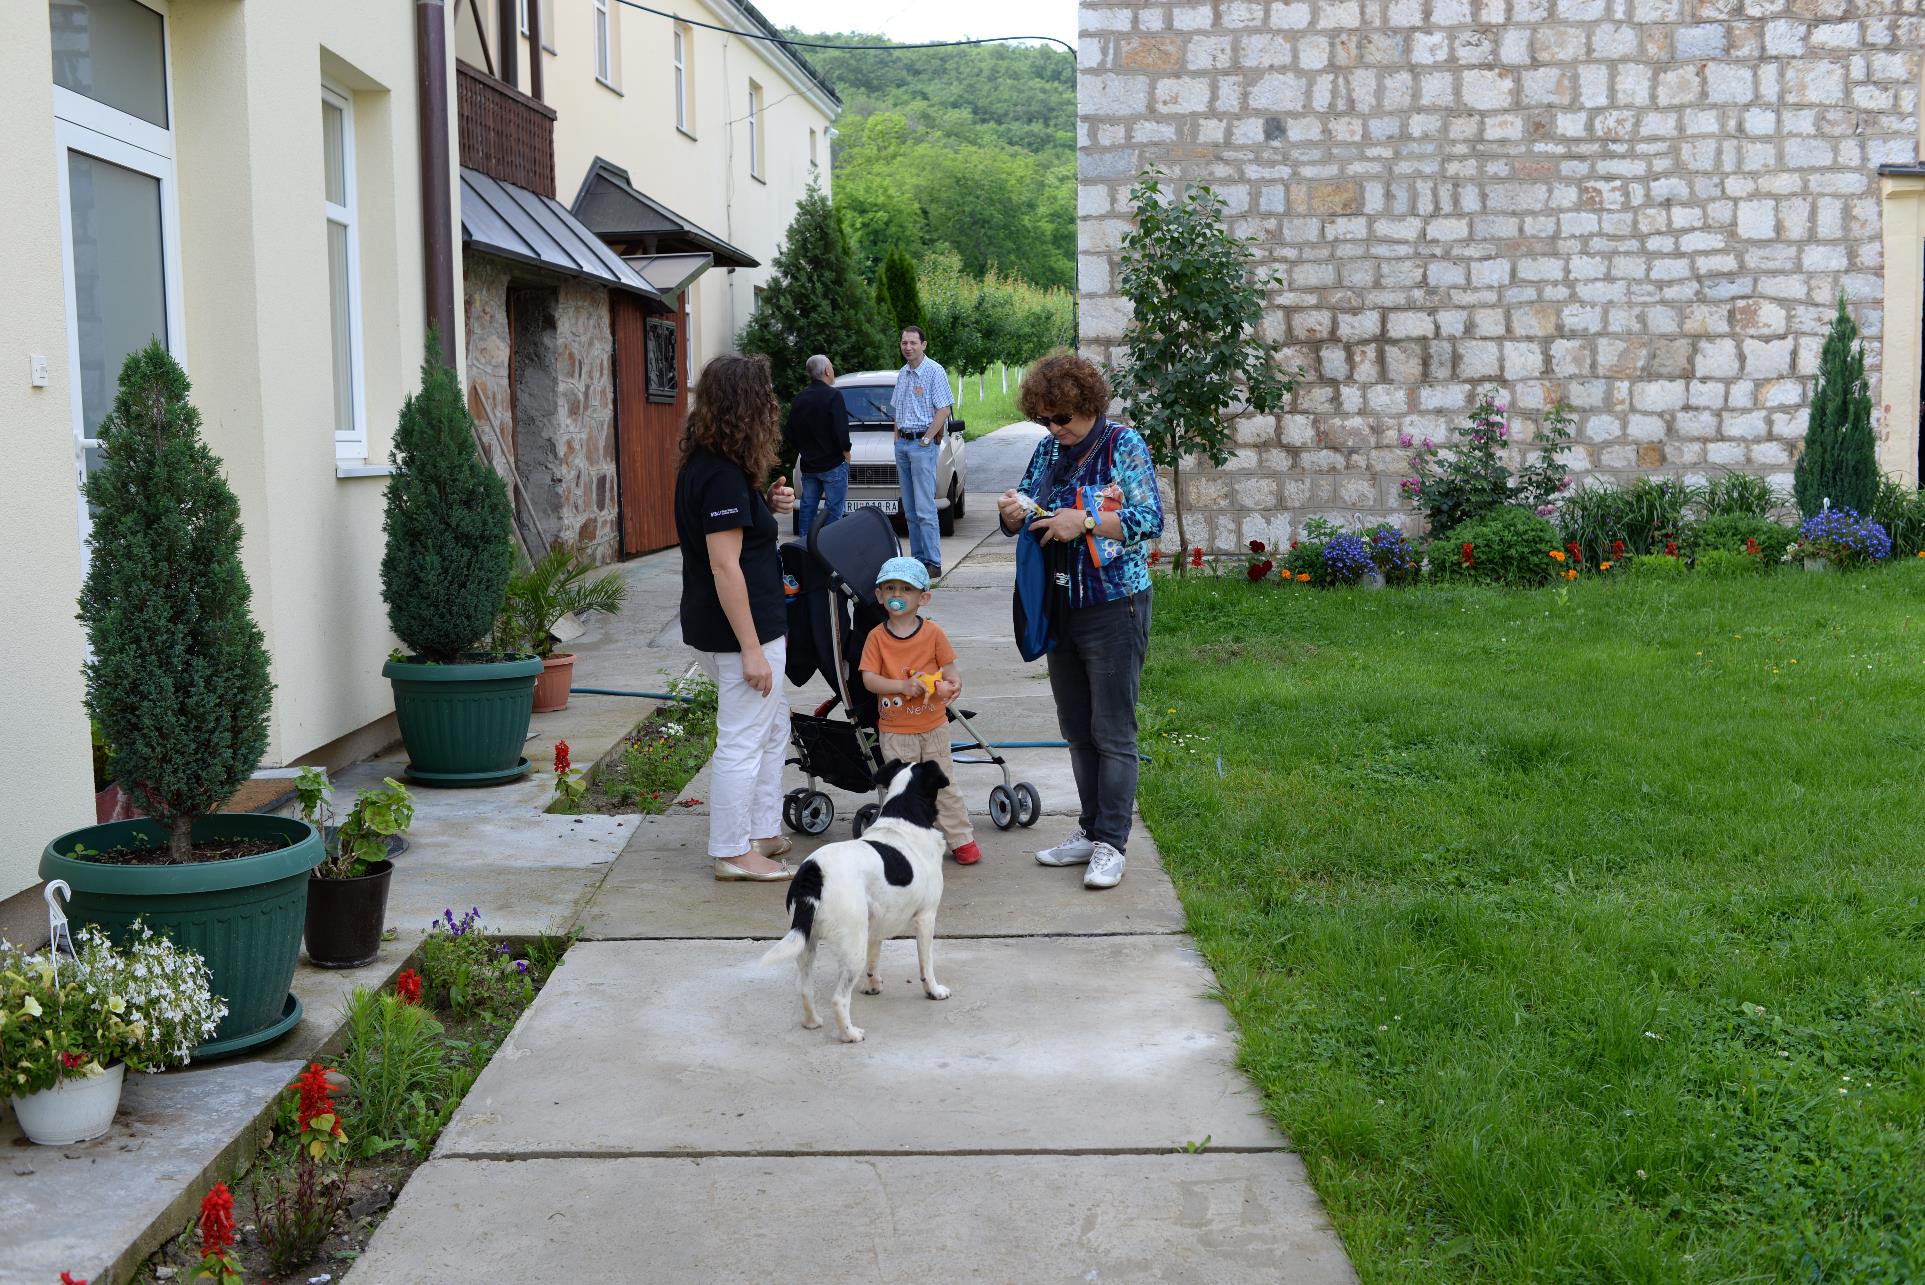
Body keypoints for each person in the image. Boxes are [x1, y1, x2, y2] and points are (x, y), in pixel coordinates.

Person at [996, 353, 1162, 890]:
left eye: (1063, 417)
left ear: (1089, 405)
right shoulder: (1047, 450)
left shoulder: (1122, 445)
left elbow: (1148, 519)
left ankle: (1111, 844)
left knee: (1112, 730)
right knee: (1076, 727)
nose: (1054, 428)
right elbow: (1029, 501)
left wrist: (1086, 520)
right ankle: (1089, 832)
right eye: (1045, 419)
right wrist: (1012, 512)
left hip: (1115, 605)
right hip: (1060, 604)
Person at [673, 354, 799, 882]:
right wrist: (750, 648)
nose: (772, 404)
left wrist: (764, 507)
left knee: (773, 729)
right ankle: (731, 850)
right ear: (746, 406)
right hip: (741, 632)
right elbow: (725, 568)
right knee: (743, 739)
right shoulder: (721, 476)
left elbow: (733, 541)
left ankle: (762, 831)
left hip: (729, 626)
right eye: (765, 395)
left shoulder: (714, 466)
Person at [858, 556, 982, 865]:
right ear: (879, 595)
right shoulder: (876, 637)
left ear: (922, 598)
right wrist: (901, 687)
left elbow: (951, 674)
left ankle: (960, 838)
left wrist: (949, 687)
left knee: (944, 784)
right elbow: (869, 679)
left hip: (933, 726)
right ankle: (906, 844)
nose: (897, 596)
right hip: (896, 731)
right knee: (902, 789)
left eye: (906, 590)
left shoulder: (933, 634)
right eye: (890, 588)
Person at [891, 326, 953, 579]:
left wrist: (927, 439)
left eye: (913, 343)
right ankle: (918, 560)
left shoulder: (934, 371)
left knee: (925, 508)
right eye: (904, 343)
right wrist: (896, 440)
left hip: (921, 446)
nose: (908, 347)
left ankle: (933, 561)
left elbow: (944, 409)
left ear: (923, 345)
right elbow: (897, 411)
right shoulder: (903, 374)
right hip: (903, 445)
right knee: (910, 508)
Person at [783, 354, 851, 541]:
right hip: (833, 465)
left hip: (809, 465)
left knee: (807, 507)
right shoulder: (833, 396)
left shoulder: (800, 398)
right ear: (827, 371)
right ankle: (829, 546)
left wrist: (805, 449)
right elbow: (841, 430)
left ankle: (805, 546)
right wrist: (846, 451)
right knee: (834, 509)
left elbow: (789, 432)